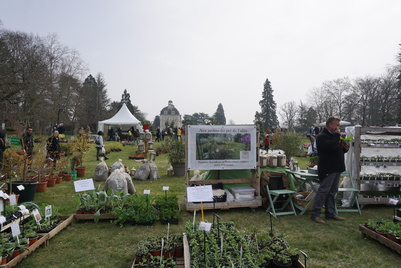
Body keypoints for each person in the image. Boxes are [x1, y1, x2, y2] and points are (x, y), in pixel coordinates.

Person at [310, 116, 349, 224]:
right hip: (328, 167)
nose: (338, 127)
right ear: (329, 125)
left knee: (332, 192)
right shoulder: (322, 136)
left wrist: (345, 148)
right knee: (323, 191)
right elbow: (331, 147)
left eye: (339, 125)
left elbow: (337, 150)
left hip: (337, 167)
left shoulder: (334, 136)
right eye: (336, 125)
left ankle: (330, 213)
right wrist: (337, 135)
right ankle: (315, 214)